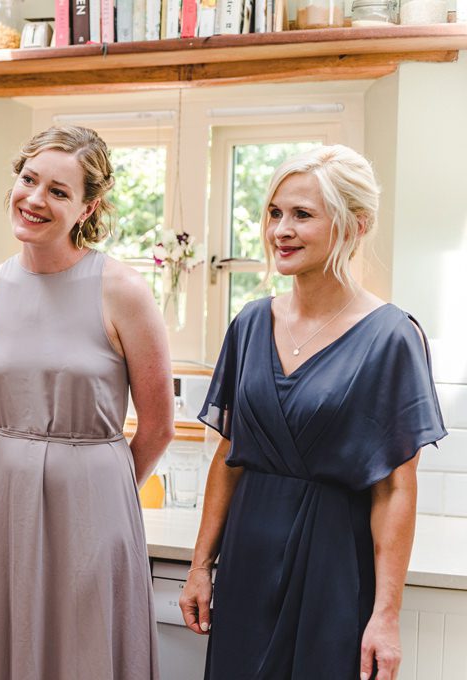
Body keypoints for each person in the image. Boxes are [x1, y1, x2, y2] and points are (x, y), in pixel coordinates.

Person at [178, 145, 444, 680]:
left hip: (334, 568)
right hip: (247, 561)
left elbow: (395, 489)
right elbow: (229, 455)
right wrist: (200, 566)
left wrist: (385, 617)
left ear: (355, 225)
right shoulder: (249, 324)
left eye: (302, 214)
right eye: (275, 213)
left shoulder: (392, 337)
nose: (281, 230)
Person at [0, 125, 172, 680]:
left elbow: (158, 427)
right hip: (0, 497)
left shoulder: (122, 290)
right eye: (29, 180)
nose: (34, 199)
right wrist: (22, 459)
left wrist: (99, 482)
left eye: (58, 191)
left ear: (88, 208)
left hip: (95, 503)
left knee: (85, 651)